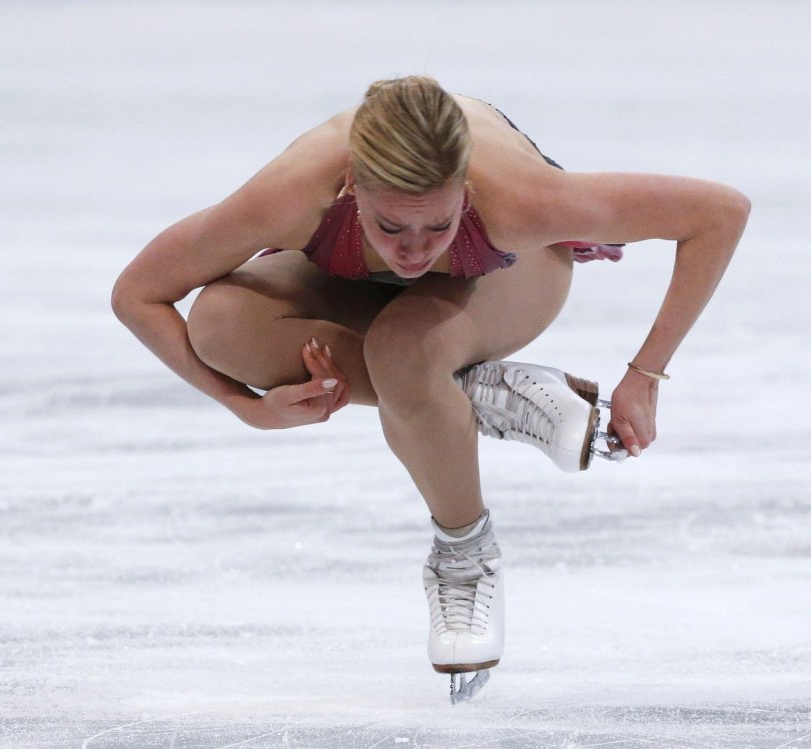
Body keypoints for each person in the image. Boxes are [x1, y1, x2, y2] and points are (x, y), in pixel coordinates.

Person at [111, 75, 750, 700]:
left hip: (507, 274)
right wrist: (239, 403)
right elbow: (138, 294)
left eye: (437, 225)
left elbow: (719, 213)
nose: (413, 251)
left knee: (405, 348)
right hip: (353, 275)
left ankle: (465, 556)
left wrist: (646, 374)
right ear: (351, 187)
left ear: (464, 190)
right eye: (390, 228)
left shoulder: (521, 200)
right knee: (220, 328)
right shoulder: (288, 196)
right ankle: (479, 393)